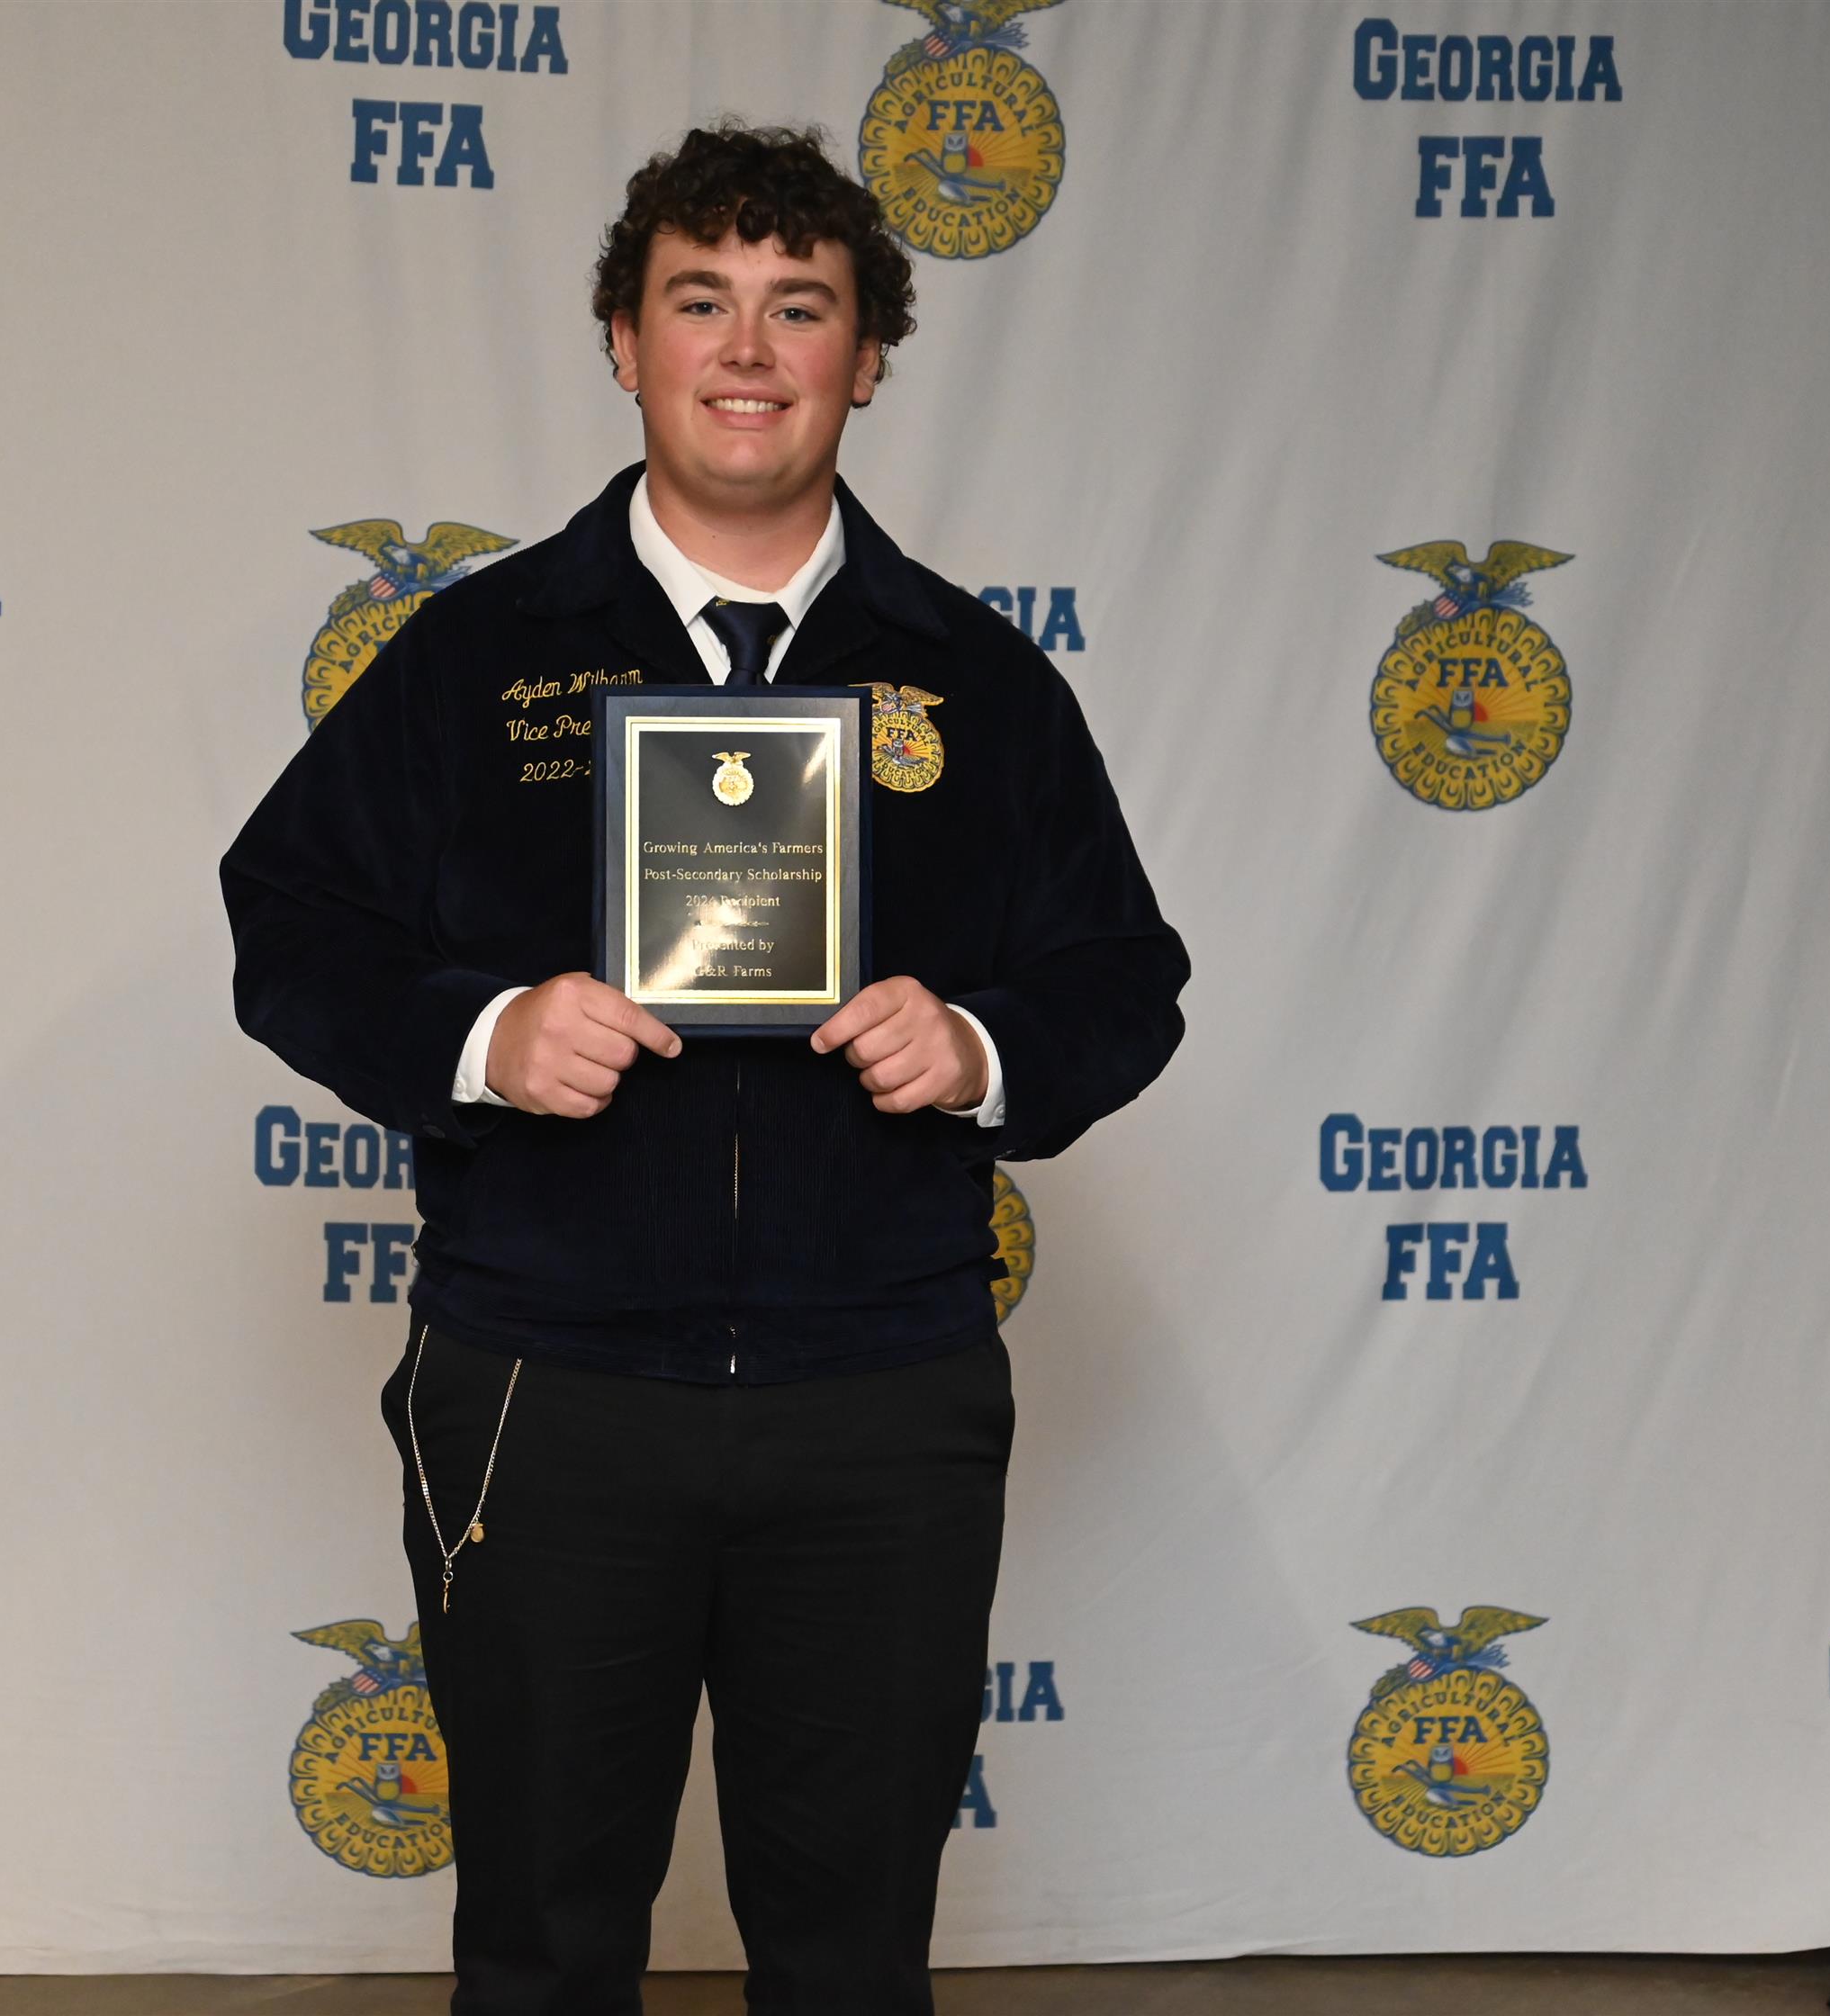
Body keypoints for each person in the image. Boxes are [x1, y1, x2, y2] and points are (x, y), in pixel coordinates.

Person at [222, 122, 1186, 2016]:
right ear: (623, 342)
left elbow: (1119, 978)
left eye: (798, 307)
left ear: (866, 357)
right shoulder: (473, 656)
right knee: (540, 1948)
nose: (747, 350)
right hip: (546, 1387)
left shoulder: (981, 682)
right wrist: (487, 1033)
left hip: (878, 1400)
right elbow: (293, 922)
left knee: (849, 1961)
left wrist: (977, 1044)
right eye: (699, 301)